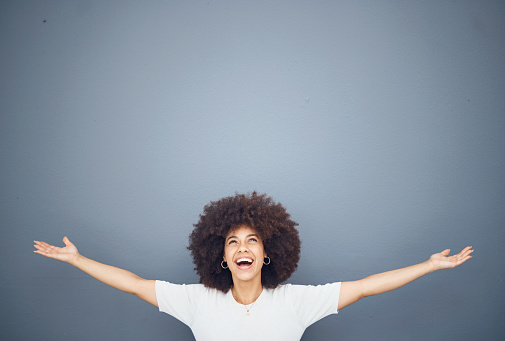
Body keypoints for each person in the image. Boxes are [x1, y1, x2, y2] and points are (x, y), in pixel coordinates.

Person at [34, 192, 473, 341]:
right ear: (222, 257)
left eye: (252, 241)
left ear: (266, 254)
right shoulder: (195, 300)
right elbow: (132, 284)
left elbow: (365, 286)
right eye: (232, 242)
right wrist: (78, 260)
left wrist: (428, 266)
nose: (242, 248)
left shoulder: (299, 301)